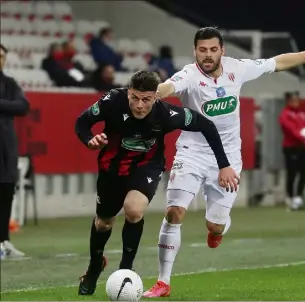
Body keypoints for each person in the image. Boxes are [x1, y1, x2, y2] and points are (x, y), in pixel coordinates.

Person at [143, 27, 305, 297]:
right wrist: (151, 93)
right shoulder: (189, 74)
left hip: (229, 158)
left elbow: (278, 62)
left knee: (215, 225)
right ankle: (163, 282)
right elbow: (168, 88)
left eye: (213, 49)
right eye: (202, 50)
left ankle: (219, 228)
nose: (207, 55)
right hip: (192, 152)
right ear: (195, 51)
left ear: (222, 50)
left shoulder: (239, 68)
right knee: (174, 212)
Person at [74, 70, 239, 296]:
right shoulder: (112, 100)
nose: (139, 105)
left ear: (156, 97)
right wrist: (89, 140)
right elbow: (82, 122)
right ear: (128, 92)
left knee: (134, 210)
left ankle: (126, 270)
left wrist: (224, 165)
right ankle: (94, 266)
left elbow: (207, 125)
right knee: (103, 223)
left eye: (146, 99)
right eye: (134, 98)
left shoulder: (168, 114)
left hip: (146, 167)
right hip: (112, 168)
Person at [0, 43, 29, 259]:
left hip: (5, 145)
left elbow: (22, 106)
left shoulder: (8, 83)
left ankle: (4, 241)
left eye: (2, 56)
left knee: (6, 191)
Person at [279, 91, 305, 210]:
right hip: (290, 147)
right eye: (293, 100)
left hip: (302, 147)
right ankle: (290, 197)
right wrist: (303, 138)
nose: (296, 102)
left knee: (304, 172)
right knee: (292, 173)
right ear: (288, 101)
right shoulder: (285, 114)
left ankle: (298, 196)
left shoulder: (301, 113)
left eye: (297, 100)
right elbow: (291, 130)